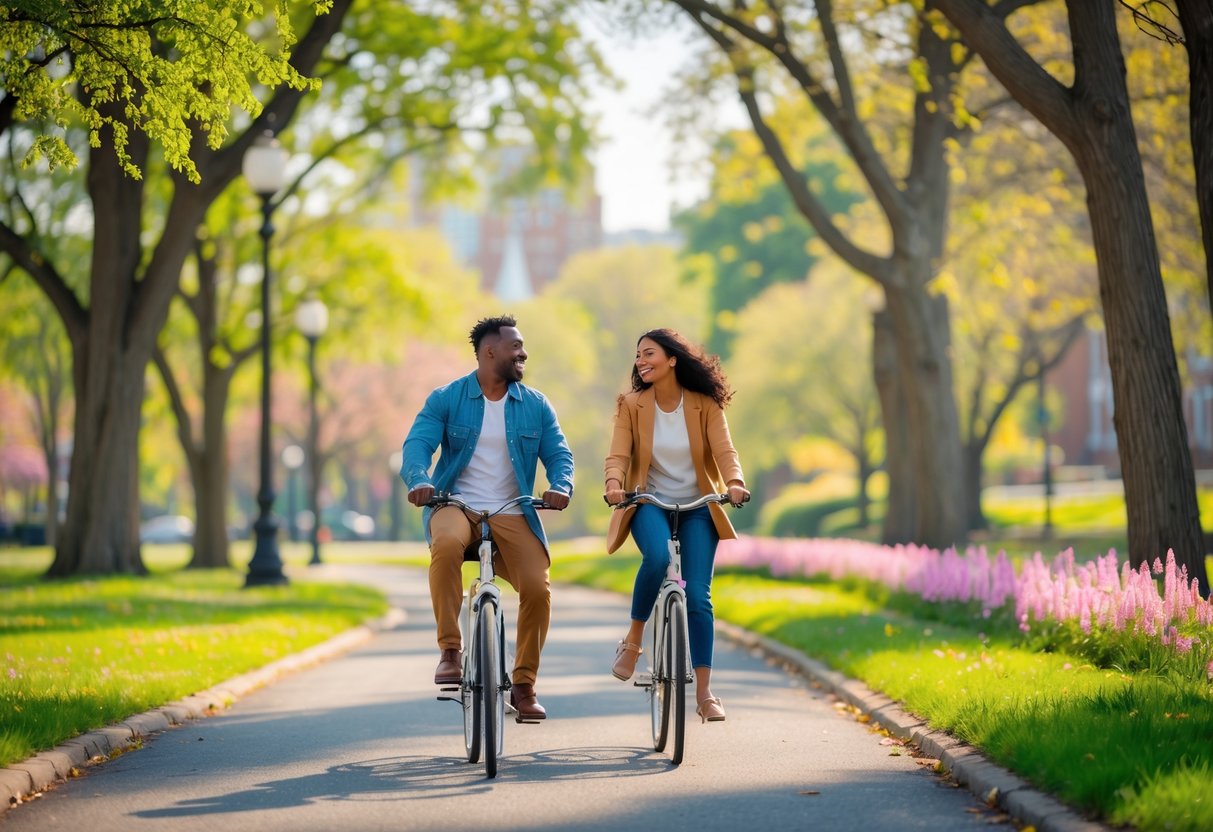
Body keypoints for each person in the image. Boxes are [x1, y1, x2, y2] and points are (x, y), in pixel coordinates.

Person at [399, 315, 573, 721]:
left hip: (514, 510)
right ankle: (449, 651)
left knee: (537, 588)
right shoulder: (447, 398)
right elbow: (417, 445)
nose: (523, 353)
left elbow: (560, 454)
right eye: (516, 346)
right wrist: (420, 478)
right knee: (444, 545)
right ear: (489, 351)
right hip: (456, 504)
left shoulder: (535, 404)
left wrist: (562, 485)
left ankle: (525, 685)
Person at [603, 328, 749, 723]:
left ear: (672, 359)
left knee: (699, 597)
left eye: (649, 353)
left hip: (699, 505)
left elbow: (724, 450)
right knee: (654, 559)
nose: (640, 361)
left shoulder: (705, 404)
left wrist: (734, 482)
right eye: (637, 356)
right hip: (648, 501)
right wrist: (614, 484)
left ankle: (704, 694)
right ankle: (633, 641)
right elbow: (618, 454)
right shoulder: (632, 405)